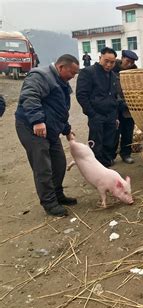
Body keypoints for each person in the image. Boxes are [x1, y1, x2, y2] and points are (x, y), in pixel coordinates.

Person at [15, 54, 80, 217]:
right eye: (72, 73)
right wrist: (37, 121)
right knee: (43, 166)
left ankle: (57, 195)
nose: (73, 77)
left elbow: (59, 110)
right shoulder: (40, 75)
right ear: (61, 67)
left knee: (59, 162)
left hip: (49, 129)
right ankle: (49, 203)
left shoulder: (61, 82)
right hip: (31, 128)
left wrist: (66, 129)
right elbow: (29, 96)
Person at [76, 47, 121, 168]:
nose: (109, 64)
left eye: (112, 62)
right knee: (96, 144)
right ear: (100, 57)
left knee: (109, 143)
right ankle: (95, 169)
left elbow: (115, 97)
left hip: (110, 115)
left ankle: (106, 169)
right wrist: (92, 114)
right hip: (96, 115)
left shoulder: (113, 75)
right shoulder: (88, 72)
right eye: (106, 61)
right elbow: (81, 95)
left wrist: (115, 116)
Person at [113, 49, 138, 164]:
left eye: (132, 62)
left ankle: (126, 154)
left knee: (128, 132)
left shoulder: (135, 72)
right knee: (113, 133)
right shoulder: (112, 69)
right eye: (127, 61)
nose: (129, 64)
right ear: (122, 58)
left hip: (129, 107)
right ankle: (111, 155)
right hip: (115, 108)